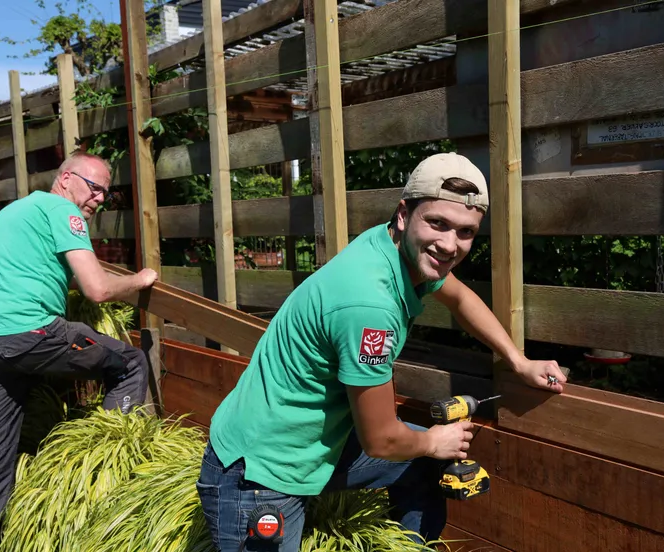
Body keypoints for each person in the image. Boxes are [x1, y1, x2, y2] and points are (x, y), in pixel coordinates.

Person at [196, 152, 568, 551]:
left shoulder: (396, 248)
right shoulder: (370, 305)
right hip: (260, 473)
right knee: (426, 450)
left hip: (312, 441)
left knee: (424, 464)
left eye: (465, 232)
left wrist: (518, 362)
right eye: (438, 224)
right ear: (404, 214)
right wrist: (433, 442)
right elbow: (381, 441)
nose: (449, 244)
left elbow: (460, 298)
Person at [0, 151, 158, 552]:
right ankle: (101, 466)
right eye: (94, 187)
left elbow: (40, 274)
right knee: (130, 362)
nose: (99, 199)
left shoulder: (10, 215)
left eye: (106, 194)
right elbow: (97, 289)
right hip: (32, 334)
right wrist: (139, 279)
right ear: (65, 179)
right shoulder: (64, 213)